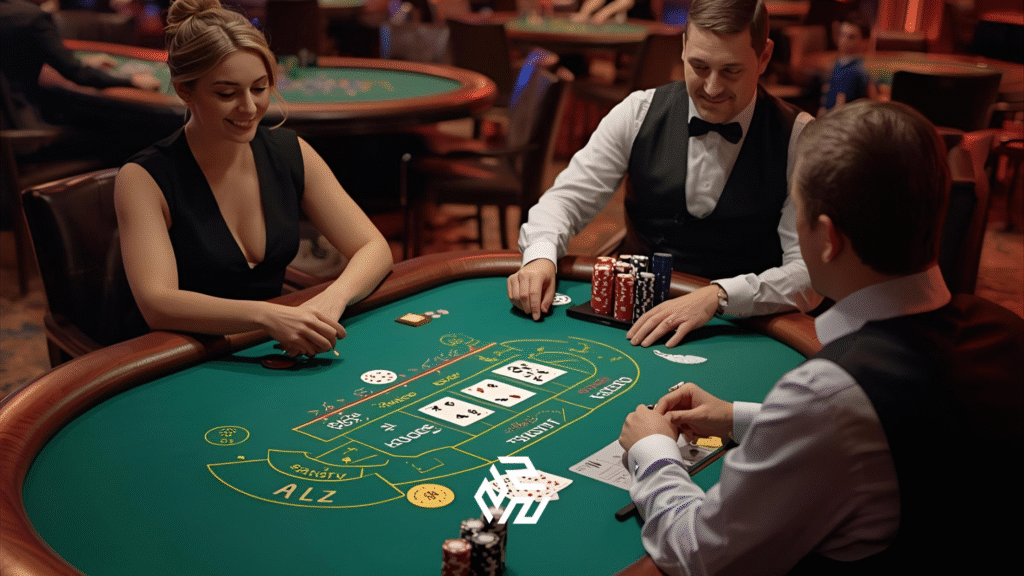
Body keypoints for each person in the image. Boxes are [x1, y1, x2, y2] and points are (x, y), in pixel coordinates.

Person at [618, 100, 1024, 574]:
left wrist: (653, 451)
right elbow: (900, 440)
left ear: (828, 238)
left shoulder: (829, 396)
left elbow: (704, 555)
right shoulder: (1008, 330)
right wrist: (740, 418)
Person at [509, 0, 820, 348]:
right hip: (633, 322)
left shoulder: (799, 138)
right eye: (699, 66)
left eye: (731, 71)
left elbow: (808, 273)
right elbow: (565, 200)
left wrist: (718, 295)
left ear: (763, 57)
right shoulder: (637, 111)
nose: (713, 88)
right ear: (684, 47)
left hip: (740, 328)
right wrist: (539, 256)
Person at [114, 0, 393, 358]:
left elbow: (374, 248)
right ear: (185, 90)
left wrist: (332, 299)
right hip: (175, 356)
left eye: (259, 88)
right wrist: (268, 315)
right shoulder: (143, 178)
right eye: (226, 94)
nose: (248, 108)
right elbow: (158, 304)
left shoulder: (291, 151)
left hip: (268, 345)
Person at [0, 0, 161, 130]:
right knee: (122, 129)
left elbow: (20, 58)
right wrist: (132, 81)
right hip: (29, 133)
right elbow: (77, 74)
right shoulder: (31, 17)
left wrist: (79, 62)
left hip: (14, 127)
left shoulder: (11, 12)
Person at [819, 10, 873, 115]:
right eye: (842, 34)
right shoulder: (839, 64)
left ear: (865, 41)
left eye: (851, 37)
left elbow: (840, 106)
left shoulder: (855, 71)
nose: (844, 40)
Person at [573, 0, 653, 24]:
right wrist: (583, 13)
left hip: (640, 25)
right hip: (614, 26)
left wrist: (602, 14)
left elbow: (627, 2)